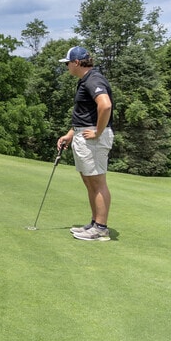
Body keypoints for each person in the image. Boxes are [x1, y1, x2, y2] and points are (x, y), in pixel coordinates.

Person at [57, 46, 114, 241]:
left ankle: (100, 228)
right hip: (84, 136)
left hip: (94, 139)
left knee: (97, 183)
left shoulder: (93, 79)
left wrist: (98, 131)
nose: (66, 67)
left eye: (67, 63)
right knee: (90, 182)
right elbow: (86, 115)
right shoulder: (86, 80)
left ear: (77, 63)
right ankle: (94, 222)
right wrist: (70, 134)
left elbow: (105, 105)